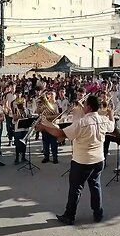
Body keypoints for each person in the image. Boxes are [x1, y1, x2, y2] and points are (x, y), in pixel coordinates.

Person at [36, 95, 115, 225]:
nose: (83, 106)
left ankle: (69, 216)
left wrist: (44, 128)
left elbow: (61, 134)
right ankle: (98, 213)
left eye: (84, 104)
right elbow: (112, 125)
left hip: (82, 161)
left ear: (89, 107)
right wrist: (110, 113)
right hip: (99, 159)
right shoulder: (103, 120)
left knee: (76, 189)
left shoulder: (82, 123)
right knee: (95, 186)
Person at [38, 90, 60, 164]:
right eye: (49, 95)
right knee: (45, 142)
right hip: (45, 126)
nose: (50, 96)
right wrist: (39, 106)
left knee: (54, 143)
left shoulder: (56, 105)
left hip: (53, 126)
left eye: (52, 95)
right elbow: (38, 112)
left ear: (55, 96)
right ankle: (46, 157)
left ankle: (55, 157)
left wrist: (47, 117)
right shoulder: (44, 104)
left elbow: (57, 115)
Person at [12, 96, 30, 164]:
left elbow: (28, 116)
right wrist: (20, 115)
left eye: (24, 103)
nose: (23, 104)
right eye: (22, 103)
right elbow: (14, 118)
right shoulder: (16, 109)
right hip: (18, 129)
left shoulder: (27, 110)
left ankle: (23, 157)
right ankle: (17, 158)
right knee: (18, 144)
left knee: (24, 144)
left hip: (25, 128)